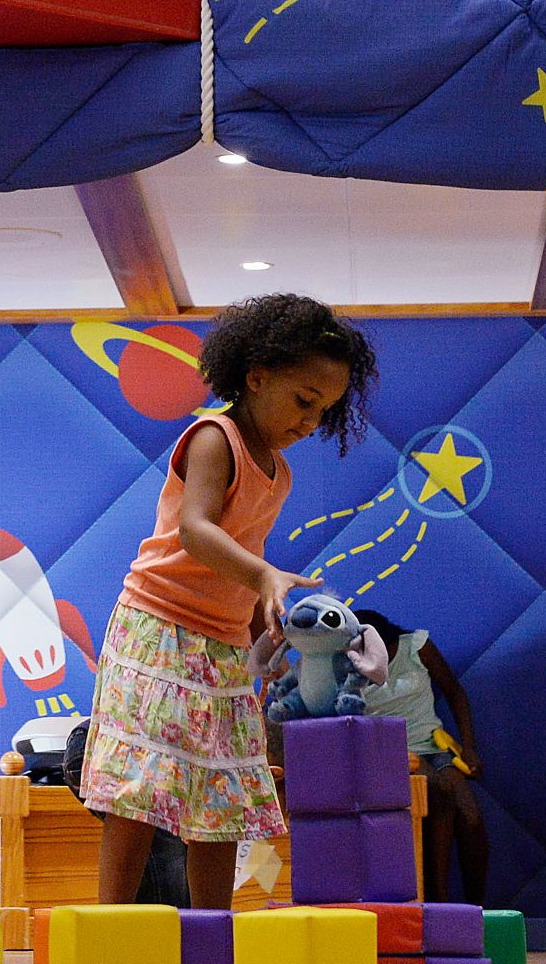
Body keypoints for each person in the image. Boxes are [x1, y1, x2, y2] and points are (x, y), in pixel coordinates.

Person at [77, 294, 381, 909]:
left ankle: (212, 931)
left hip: (219, 640)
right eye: (303, 400)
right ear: (257, 375)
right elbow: (197, 529)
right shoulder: (216, 437)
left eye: (323, 410)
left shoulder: (280, 470)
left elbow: (239, 557)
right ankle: (109, 924)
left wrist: (260, 620)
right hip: (158, 623)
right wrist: (265, 574)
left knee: (219, 793)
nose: (309, 420)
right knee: (139, 786)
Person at [355, 608, 489, 904]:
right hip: (387, 753)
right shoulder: (349, 661)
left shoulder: (416, 645)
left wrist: (469, 746)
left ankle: (477, 909)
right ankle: (436, 901)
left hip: (434, 745)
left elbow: (454, 691)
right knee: (436, 793)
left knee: (470, 816)